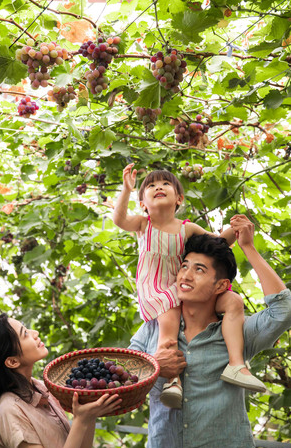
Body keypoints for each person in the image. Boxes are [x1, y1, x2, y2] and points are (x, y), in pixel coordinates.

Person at [129, 214, 291, 448]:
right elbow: (120, 379)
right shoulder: (152, 328)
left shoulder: (238, 332)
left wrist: (247, 246)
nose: (185, 275)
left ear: (220, 286)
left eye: (199, 270)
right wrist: (152, 367)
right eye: (184, 266)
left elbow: (284, 310)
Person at [113, 164, 265, 408]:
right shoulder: (143, 225)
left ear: (179, 199)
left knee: (233, 301)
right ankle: (172, 380)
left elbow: (216, 243)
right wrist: (127, 189)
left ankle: (236, 365)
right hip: (158, 291)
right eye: (151, 186)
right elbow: (119, 219)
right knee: (169, 327)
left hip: (184, 287)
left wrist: (235, 230)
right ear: (142, 203)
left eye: (165, 184)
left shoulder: (187, 229)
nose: (158, 187)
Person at [0, 314, 122, 448]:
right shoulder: (10, 411)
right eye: (25, 334)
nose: (35, 333)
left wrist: (88, 417)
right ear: (12, 361)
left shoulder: (42, 389)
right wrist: (80, 421)